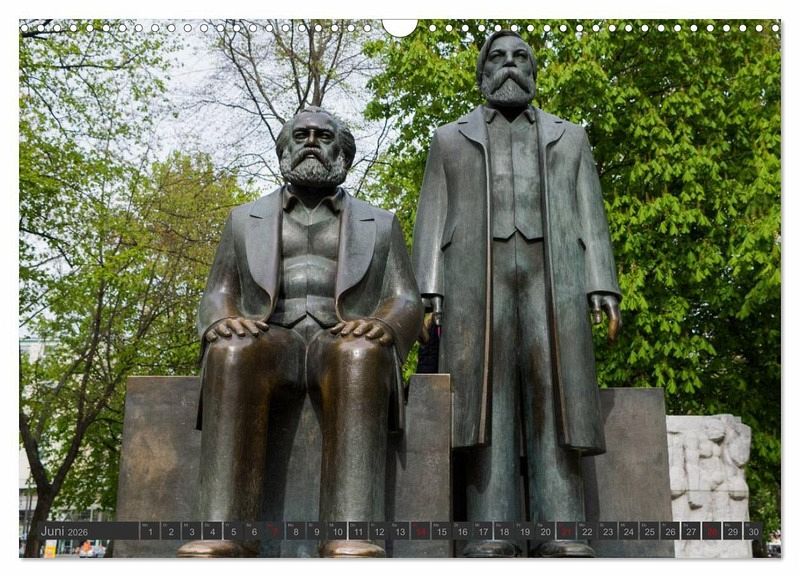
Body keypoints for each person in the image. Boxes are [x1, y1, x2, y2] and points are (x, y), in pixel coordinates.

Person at [177, 107, 422, 558]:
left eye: (324, 136)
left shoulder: (381, 222)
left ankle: (351, 533)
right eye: (301, 135)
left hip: (340, 336)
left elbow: (406, 298)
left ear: (343, 153)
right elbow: (218, 292)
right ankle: (224, 533)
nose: (311, 142)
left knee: (358, 353)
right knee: (232, 350)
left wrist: (383, 324)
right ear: (284, 149)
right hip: (272, 338)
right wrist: (223, 319)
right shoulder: (243, 220)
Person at [413, 30, 621, 557]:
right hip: (473, 275)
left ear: (533, 71)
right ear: (482, 73)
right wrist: (427, 289)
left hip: (554, 274)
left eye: (520, 57)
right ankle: (491, 533)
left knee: (557, 396)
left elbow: (590, 212)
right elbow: (432, 212)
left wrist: (602, 282)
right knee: (487, 400)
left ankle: (563, 531)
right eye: (498, 58)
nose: (509, 65)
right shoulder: (449, 139)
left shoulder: (570, 137)